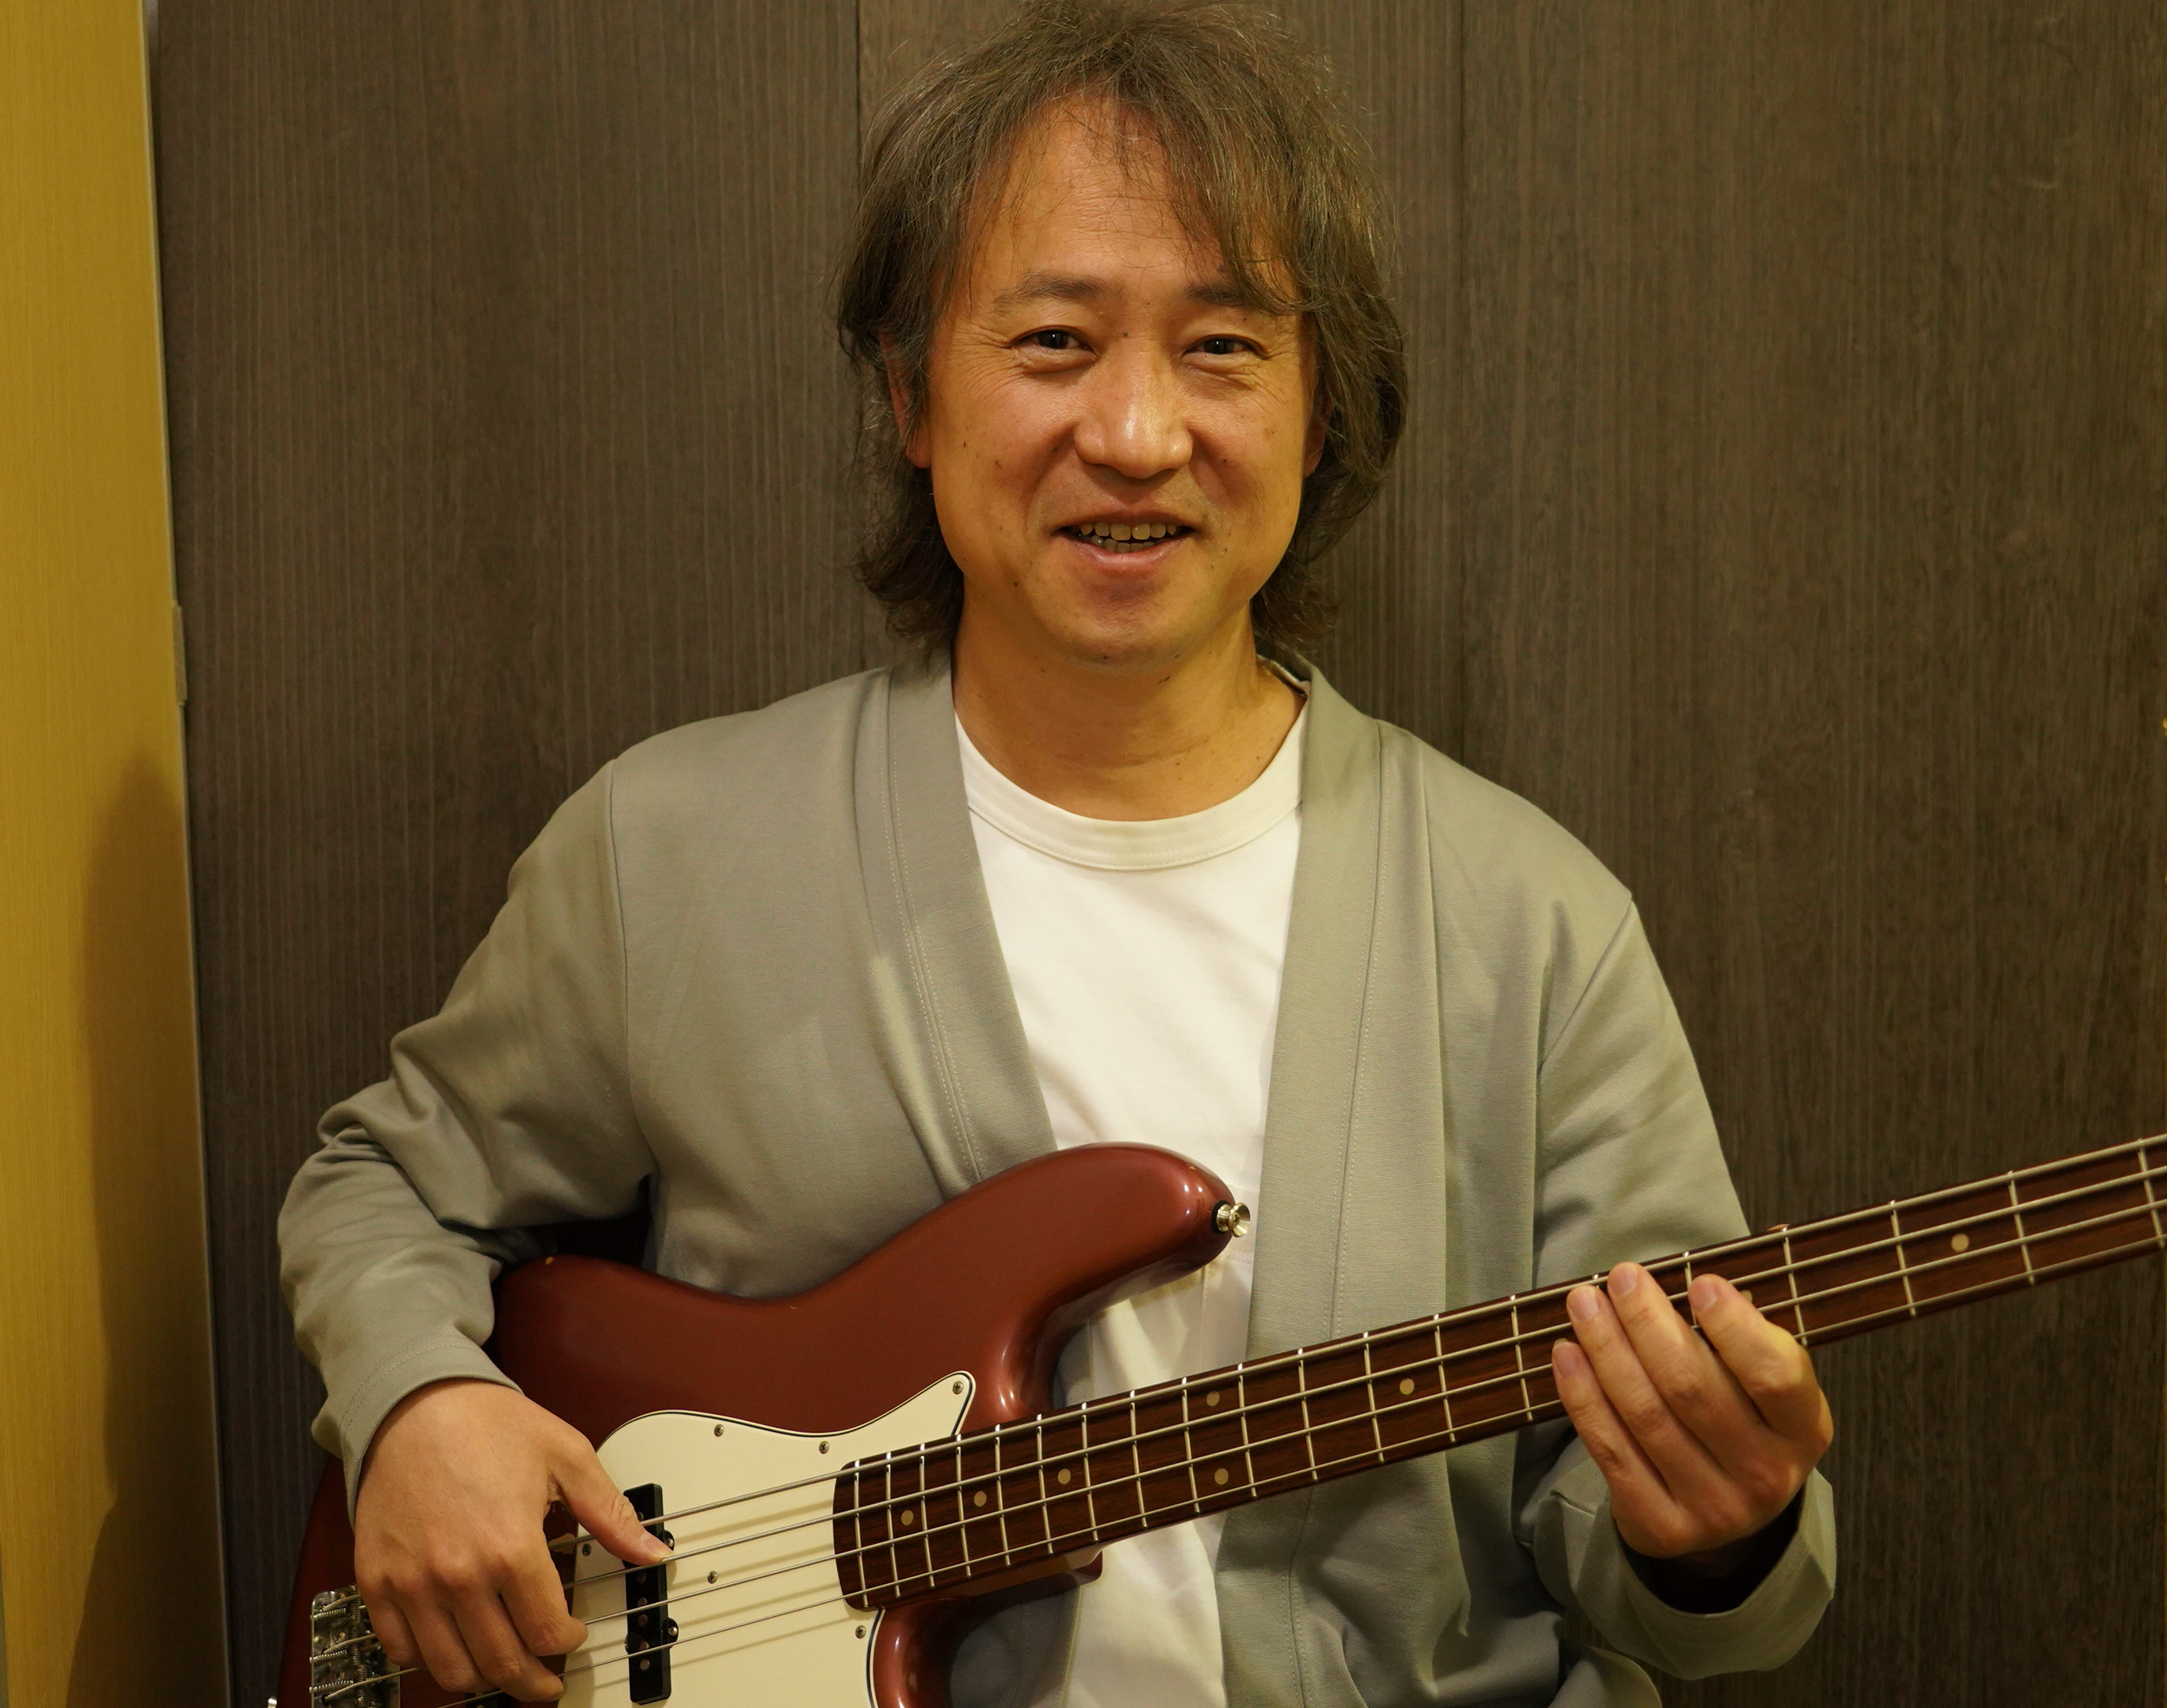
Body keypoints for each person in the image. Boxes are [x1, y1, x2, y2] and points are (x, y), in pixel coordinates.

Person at [279, 3, 1836, 1704]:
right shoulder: (672, 852)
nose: (1138, 433)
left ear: (1321, 408)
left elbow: (1675, 1582)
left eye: (1223, 346)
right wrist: (420, 1398)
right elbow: (387, 1183)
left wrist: (1716, 1528)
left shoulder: (1532, 925)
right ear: (910, 394)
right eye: (1051, 342)